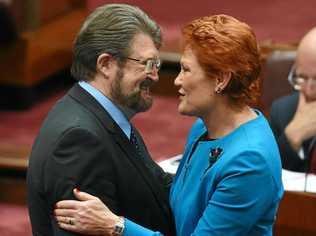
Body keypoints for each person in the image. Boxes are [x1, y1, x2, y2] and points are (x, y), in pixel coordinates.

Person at [54, 14, 284, 236]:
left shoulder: (250, 161)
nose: (177, 80)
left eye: (186, 70)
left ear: (221, 80)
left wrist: (116, 226)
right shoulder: (204, 127)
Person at [26, 4, 175, 236]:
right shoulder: (79, 140)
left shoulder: (105, 117)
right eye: (146, 64)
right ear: (105, 64)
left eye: (156, 65)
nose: (155, 76)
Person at [270, 28, 316, 172]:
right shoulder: (282, 111)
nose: (309, 90)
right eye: (301, 77)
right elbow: (269, 176)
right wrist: (292, 137)